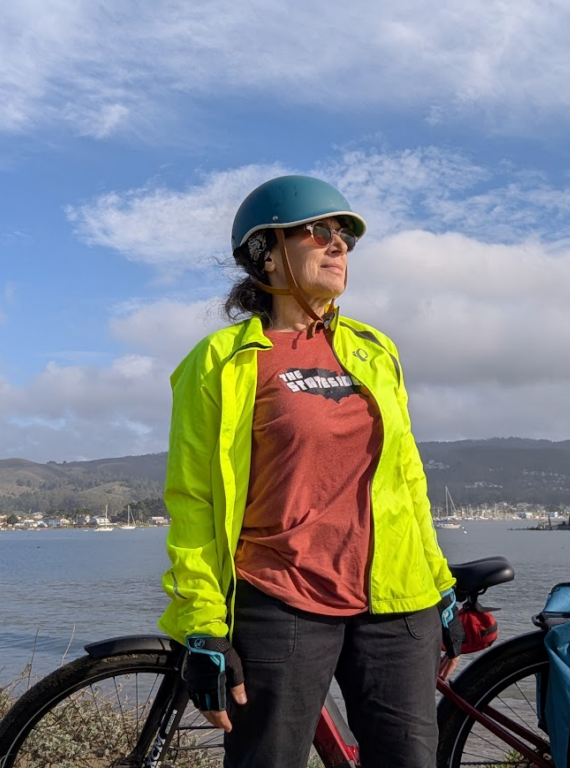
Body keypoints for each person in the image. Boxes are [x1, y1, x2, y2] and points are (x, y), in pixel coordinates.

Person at [159, 175, 464, 768]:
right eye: (318, 231)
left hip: (397, 604)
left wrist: (439, 582)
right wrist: (201, 623)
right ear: (265, 252)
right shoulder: (220, 363)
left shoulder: (375, 349)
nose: (338, 245)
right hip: (281, 600)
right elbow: (194, 499)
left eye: (345, 235)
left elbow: (407, 479)